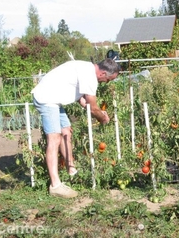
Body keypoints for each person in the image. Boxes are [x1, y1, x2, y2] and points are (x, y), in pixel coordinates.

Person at [31, 58, 121, 198]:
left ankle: (71, 169)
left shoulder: (85, 68)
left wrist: (86, 104)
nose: (106, 82)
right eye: (109, 79)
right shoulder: (90, 76)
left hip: (55, 100)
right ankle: (55, 186)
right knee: (54, 138)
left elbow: (77, 92)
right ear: (103, 73)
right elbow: (92, 106)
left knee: (66, 131)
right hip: (47, 99)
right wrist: (102, 118)